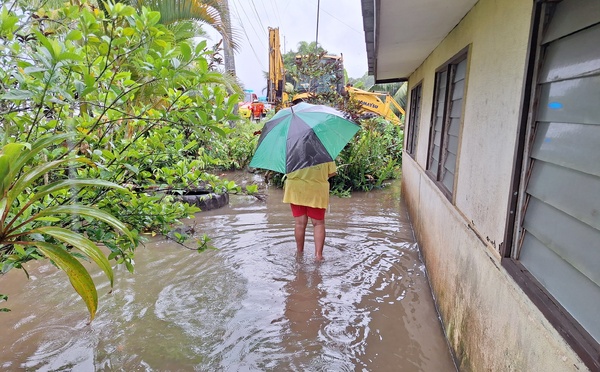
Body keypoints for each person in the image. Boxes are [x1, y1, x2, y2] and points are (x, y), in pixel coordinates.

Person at [282, 162, 337, 261]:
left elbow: (285, 170)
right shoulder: (324, 150)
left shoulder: (290, 150)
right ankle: (318, 256)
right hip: (317, 188)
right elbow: (332, 173)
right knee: (318, 224)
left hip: (296, 189)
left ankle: (299, 253)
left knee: (300, 224)